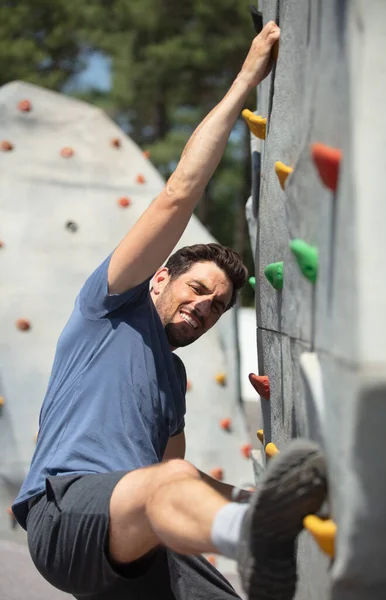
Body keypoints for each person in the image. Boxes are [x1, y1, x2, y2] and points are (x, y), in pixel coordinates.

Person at [13, 21, 327, 600]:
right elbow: (180, 191)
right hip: (65, 515)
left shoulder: (172, 378)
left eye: (218, 306)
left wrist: (262, 501)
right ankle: (253, 532)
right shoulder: (109, 309)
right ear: (160, 278)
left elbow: (178, 480)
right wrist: (248, 76)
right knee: (169, 483)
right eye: (199, 289)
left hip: (138, 532)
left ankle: (252, 526)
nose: (206, 307)